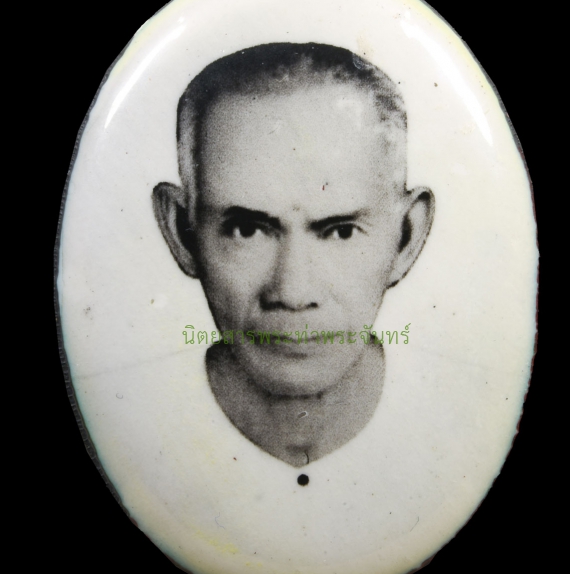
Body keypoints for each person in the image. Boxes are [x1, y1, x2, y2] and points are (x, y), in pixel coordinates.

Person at [153, 43, 434, 467]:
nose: (292, 292)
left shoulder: (465, 421)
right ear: (182, 232)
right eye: (247, 230)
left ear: (406, 237)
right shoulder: (132, 423)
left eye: (340, 232)